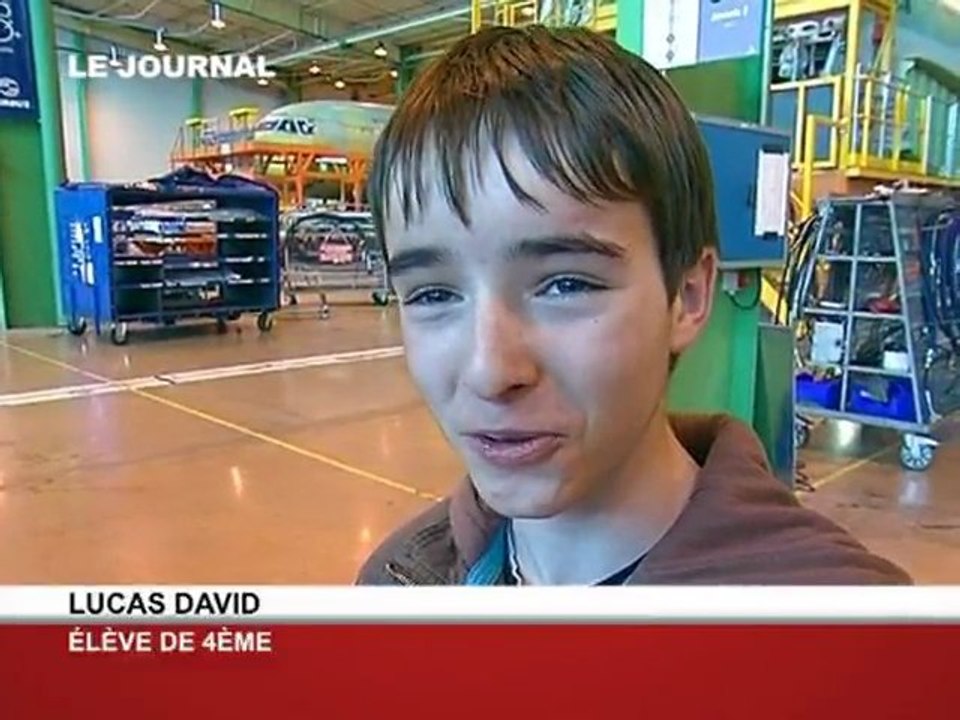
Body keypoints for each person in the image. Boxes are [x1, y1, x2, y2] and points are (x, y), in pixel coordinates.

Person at [356, 25, 910, 585]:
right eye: (433, 294)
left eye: (566, 285)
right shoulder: (399, 584)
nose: (491, 372)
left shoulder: (841, 622)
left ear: (688, 296)